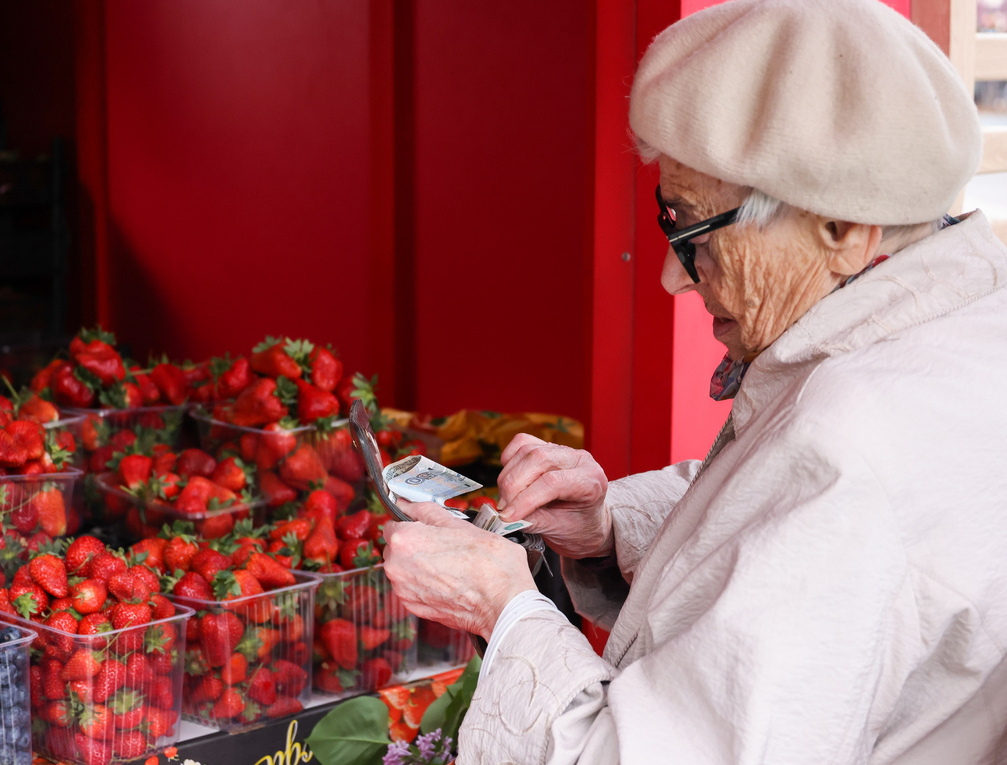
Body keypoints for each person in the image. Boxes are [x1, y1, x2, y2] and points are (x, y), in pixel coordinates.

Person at [380, 0, 1007, 762]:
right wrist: (609, 528)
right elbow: (786, 526)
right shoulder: (959, 327)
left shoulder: (855, 442)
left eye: (694, 231)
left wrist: (504, 608)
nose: (677, 277)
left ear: (842, 230)